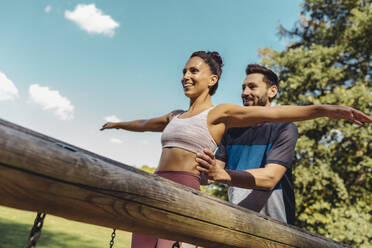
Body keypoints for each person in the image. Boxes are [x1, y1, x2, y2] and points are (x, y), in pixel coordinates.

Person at [100, 51, 371, 248]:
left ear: (212, 79)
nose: (185, 76)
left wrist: (327, 110)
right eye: (184, 71)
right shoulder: (180, 116)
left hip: (217, 204)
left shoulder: (225, 114)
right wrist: (119, 124)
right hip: (167, 189)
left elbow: (279, 119)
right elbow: (148, 123)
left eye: (193, 71)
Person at [196, 64, 297, 224]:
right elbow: (211, 175)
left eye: (252, 87)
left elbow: (270, 178)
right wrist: (197, 169)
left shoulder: (285, 127)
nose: (245, 93)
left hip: (276, 228)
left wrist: (220, 174)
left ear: (272, 91)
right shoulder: (231, 131)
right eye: (243, 88)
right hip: (237, 223)